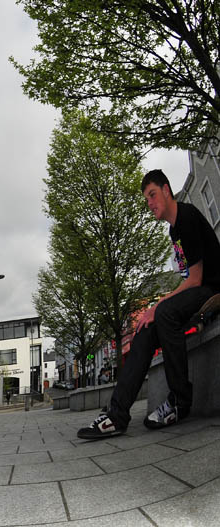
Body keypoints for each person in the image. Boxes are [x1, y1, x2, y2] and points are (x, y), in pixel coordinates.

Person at [78, 169, 220, 440]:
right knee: (145, 328)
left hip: (212, 288)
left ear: (166, 190)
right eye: (146, 200)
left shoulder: (187, 216)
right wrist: (154, 310)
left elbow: (197, 277)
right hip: (195, 289)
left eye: (153, 195)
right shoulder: (173, 232)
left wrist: (159, 304)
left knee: (163, 312)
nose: (150, 203)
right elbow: (185, 276)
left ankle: (179, 400)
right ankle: (117, 415)